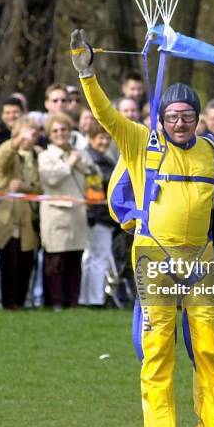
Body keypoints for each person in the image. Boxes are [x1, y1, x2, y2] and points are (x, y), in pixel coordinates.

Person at [70, 28, 214, 427]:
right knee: (158, 348)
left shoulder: (209, 150)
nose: (180, 123)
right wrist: (87, 74)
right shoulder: (139, 143)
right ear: (161, 118)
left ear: (197, 119)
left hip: (200, 258)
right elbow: (106, 115)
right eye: (173, 116)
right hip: (154, 255)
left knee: (207, 349)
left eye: (187, 116)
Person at [0, 116, 41, 309]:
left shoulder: (36, 155)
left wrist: (27, 187)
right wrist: (16, 141)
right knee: (9, 260)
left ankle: (20, 301)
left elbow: (41, 187)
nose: (31, 136)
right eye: (27, 132)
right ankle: (7, 303)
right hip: (5, 215)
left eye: (34, 133)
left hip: (26, 216)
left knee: (26, 260)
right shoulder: (7, 149)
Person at [38, 112, 92, 309]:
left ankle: (73, 302)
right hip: (55, 214)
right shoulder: (45, 156)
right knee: (55, 261)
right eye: (55, 131)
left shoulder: (80, 153)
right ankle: (56, 302)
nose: (60, 134)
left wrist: (78, 160)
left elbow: (95, 173)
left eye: (64, 130)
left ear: (70, 132)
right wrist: (68, 163)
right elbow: (50, 178)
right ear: (50, 134)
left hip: (78, 213)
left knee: (75, 261)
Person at [80, 122, 116, 307]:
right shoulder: (93, 161)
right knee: (98, 258)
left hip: (98, 216)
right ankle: (95, 299)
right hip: (98, 216)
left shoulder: (105, 159)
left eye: (107, 138)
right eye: (100, 137)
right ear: (91, 139)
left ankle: (86, 298)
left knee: (91, 258)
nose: (104, 142)